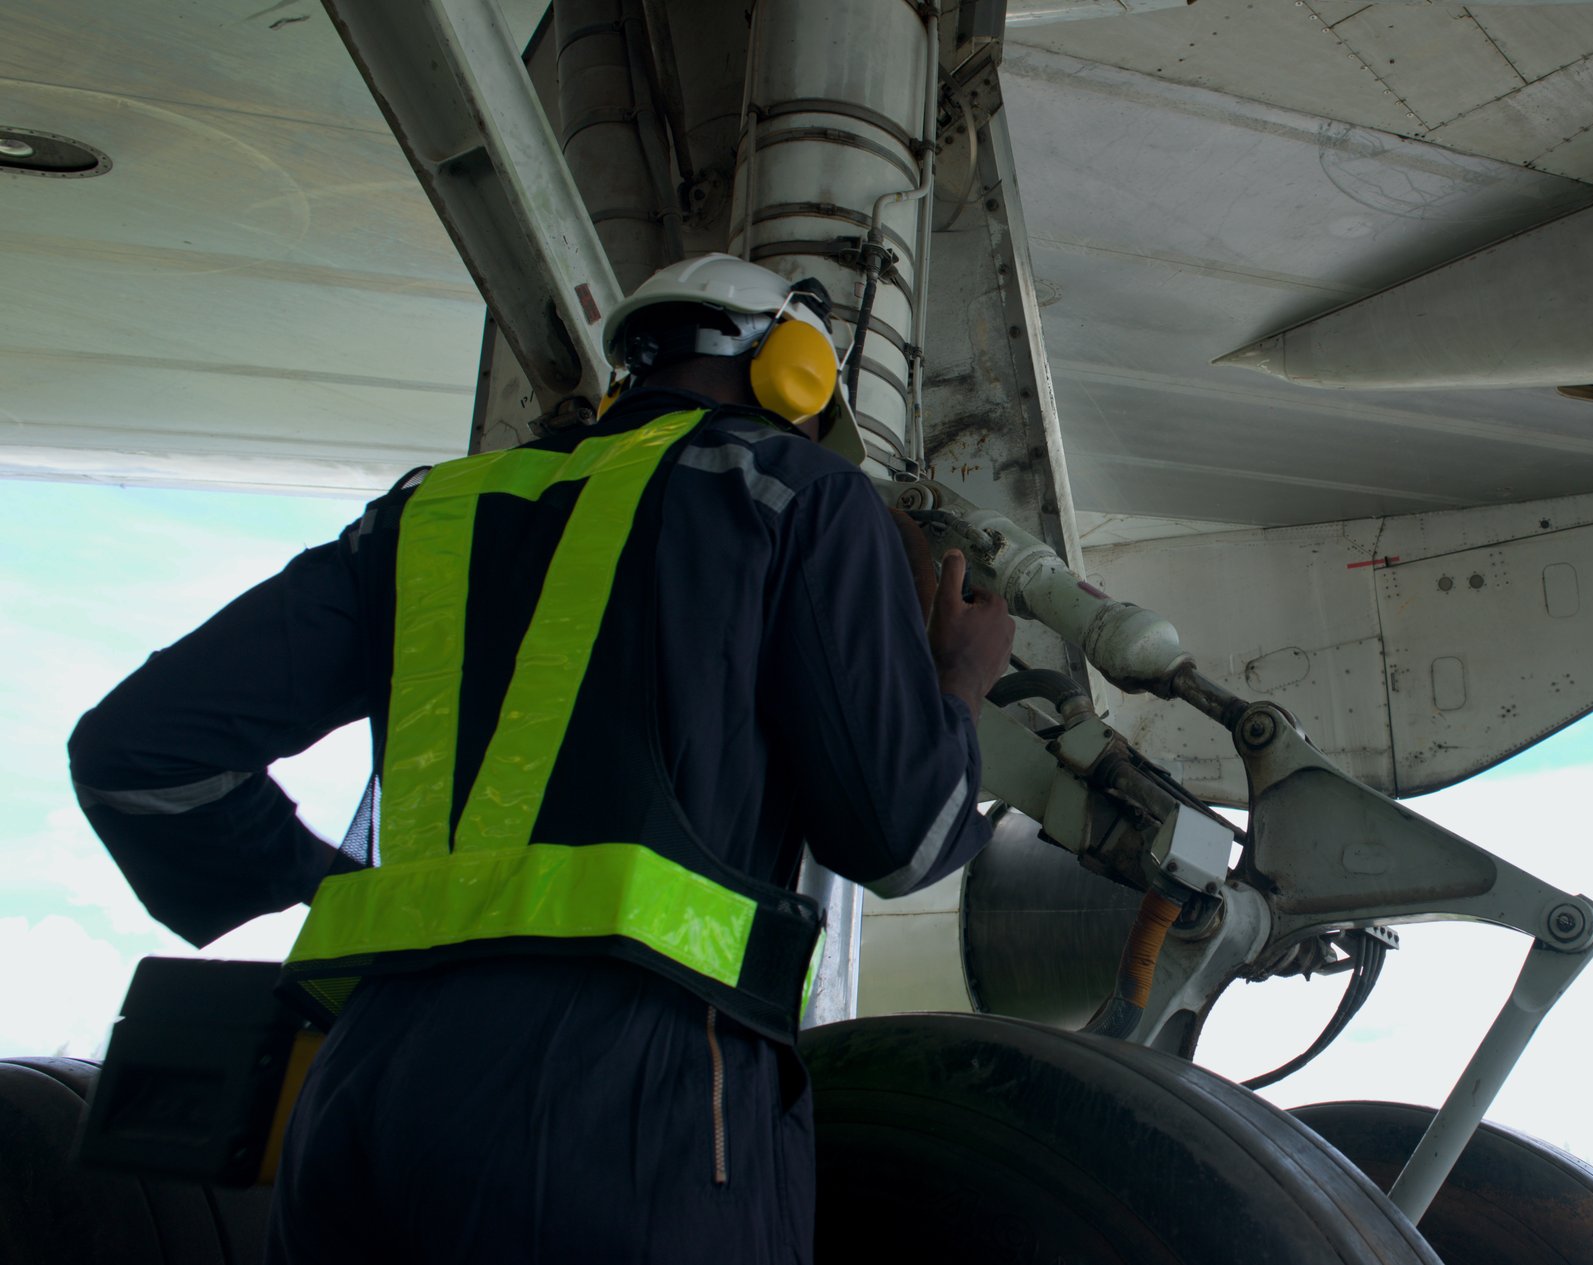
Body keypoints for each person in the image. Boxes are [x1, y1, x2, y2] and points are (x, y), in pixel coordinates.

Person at [67, 252, 1015, 1262]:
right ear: (797, 373)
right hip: (634, 1106)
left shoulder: (426, 513)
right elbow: (904, 838)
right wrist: (955, 683)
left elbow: (137, 753)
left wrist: (335, 889)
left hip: (361, 1099)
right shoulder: (795, 492)